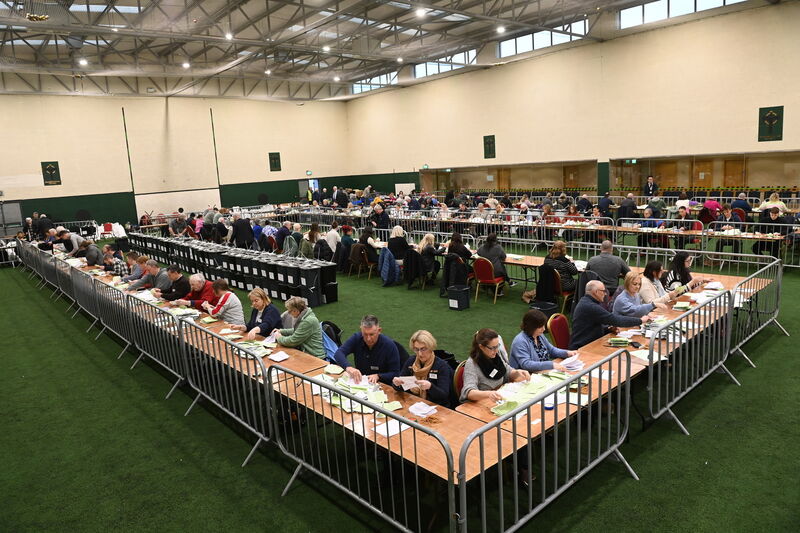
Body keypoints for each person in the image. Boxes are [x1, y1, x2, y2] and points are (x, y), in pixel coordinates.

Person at [569, 281, 652, 350]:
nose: (605, 294)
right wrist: (640, 320)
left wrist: (607, 329)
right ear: (596, 292)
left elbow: (589, 326)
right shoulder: (591, 306)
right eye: (603, 291)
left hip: (590, 343)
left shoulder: (587, 302)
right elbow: (615, 320)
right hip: (582, 348)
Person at [460, 328, 530, 402]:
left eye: (497, 346)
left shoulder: (494, 354)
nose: (496, 350)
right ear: (481, 347)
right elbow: (469, 392)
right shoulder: (472, 364)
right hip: (483, 402)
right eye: (492, 348)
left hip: (499, 396)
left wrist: (517, 373)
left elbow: (507, 371)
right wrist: (488, 394)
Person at [333, 315, 401, 385]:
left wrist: (378, 376)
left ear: (379, 331)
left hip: (382, 385)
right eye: (365, 334)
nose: (368, 339)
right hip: (361, 382)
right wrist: (348, 367)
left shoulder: (389, 345)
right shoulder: (357, 338)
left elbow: (395, 373)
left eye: (371, 334)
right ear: (361, 330)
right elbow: (339, 353)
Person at [392, 330, 453, 406]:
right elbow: (400, 386)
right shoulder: (411, 361)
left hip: (436, 407)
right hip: (414, 403)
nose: (420, 354)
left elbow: (444, 395)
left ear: (431, 347)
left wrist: (430, 387)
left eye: (423, 349)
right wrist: (396, 384)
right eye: (416, 349)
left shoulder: (441, 366)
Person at [510, 309, 579, 372]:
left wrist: (567, 353)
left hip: (542, 372)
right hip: (526, 377)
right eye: (540, 327)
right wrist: (551, 364)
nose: (543, 329)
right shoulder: (520, 341)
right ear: (531, 327)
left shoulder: (539, 335)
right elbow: (526, 364)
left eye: (543, 326)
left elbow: (551, 350)